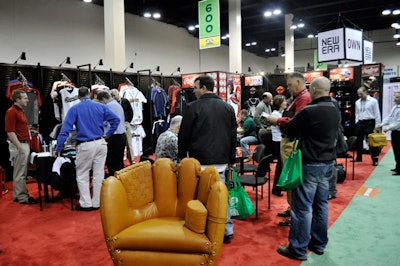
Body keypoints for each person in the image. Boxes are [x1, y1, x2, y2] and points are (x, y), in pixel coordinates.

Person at [276, 76, 339, 261]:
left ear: (313, 91)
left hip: (310, 163)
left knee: (301, 208)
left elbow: (290, 130)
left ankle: (298, 249)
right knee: (321, 205)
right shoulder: (335, 109)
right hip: (328, 163)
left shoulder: (310, 111)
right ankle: (319, 244)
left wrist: (278, 121)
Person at [178, 75, 237, 244]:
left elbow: (184, 135)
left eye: (196, 87)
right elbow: (233, 137)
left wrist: (182, 157)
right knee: (220, 195)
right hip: (220, 160)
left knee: (199, 196)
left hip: (199, 160)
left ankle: (200, 227)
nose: (194, 91)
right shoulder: (227, 108)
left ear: (204, 88)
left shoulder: (192, 107)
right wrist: (231, 159)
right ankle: (226, 230)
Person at [54, 87, 120, 211]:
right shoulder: (100, 106)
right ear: (90, 95)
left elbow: (65, 130)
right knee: (99, 173)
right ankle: (97, 202)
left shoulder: (75, 109)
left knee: (82, 174)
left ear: (78, 97)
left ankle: (86, 203)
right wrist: (109, 134)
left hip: (85, 145)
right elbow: (116, 120)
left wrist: (59, 147)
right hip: (100, 143)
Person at [268, 72, 312, 226]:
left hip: (292, 143)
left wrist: (278, 120)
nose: (288, 88)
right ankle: (291, 207)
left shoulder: (304, 98)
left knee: (292, 178)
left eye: (289, 85)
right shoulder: (297, 99)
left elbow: (297, 120)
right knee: (288, 176)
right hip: (287, 141)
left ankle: (295, 212)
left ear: (299, 82)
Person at [5, 90, 37, 204]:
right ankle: (23, 197)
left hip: (23, 144)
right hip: (20, 145)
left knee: (20, 172)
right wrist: (19, 146)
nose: (27, 100)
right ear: (17, 99)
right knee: (21, 173)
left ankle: (18, 195)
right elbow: (9, 131)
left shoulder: (19, 111)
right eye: (25, 98)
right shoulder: (12, 112)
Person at [97, 90, 127, 176]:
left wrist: (107, 134)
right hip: (121, 135)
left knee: (112, 162)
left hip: (114, 136)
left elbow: (106, 122)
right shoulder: (117, 104)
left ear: (103, 99)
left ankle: (114, 185)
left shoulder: (108, 106)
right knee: (119, 161)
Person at [353, 87, 381, 166]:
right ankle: (358, 157)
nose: (359, 95)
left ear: (366, 92)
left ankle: (375, 159)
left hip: (370, 122)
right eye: (358, 94)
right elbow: (357, 113)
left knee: (371, 141)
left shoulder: (373, 101)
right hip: (360, 122)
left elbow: (377, 113)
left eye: (361, 94)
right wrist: (356, 121)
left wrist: (377, 125)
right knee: (358, 141)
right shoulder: (357, 102)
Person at [376, 91, 400, 175]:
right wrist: (381, 124)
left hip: (398, 132)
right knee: (396, 150)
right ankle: (398, 167)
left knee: (399, 151)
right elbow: (389, 117)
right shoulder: (395, 107)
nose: (395, 98)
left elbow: (398, 123)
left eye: (397, 97)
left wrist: (388, 128)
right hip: (395, 132)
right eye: (395, 97)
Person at [110, 88, 134, 165]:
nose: (113, 97)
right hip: (117, 126)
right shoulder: (111, 103)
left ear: (118, 94)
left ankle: (132, 161)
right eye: (112, 95)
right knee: (119, 145)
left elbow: (130, 111)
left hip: (125, 124)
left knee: (129, 143)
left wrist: (128, 121)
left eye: (114, 95)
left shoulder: (124, 101)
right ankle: (119, 162)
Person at [270, 95, 287, 197]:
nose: (286, 102)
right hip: (278, 140)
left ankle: (280, 186)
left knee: (281, 165)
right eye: (284, 101)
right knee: (280, 165)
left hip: (279, 139)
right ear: (280, 103)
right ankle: (276, 188)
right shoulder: (276, 114)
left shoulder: (279, 113)